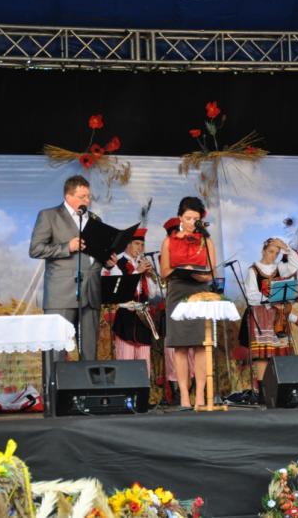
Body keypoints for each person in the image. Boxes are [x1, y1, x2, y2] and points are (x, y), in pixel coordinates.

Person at [29, 175, 116, 360]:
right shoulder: (49, 215)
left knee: (89, 353)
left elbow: (97, 252)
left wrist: (106, 260)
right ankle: (54, 381)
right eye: (82, 196)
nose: (87, 200)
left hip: (91, 291)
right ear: (68, 196)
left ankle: (86, 381)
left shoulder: (95, 219)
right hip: (61, 294)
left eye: (89, 196)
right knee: (55, 352)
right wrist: (67, 247)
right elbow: (35, 249)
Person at [160, 196, 215, 408]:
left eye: (196, 219)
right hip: (177, 292)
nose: (192, 222)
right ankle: (184, 395)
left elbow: (211, 272)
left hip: (200, 292)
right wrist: (181, 270)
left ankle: (200, 395)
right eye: (188, 218)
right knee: (180, 347)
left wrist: (199, 275)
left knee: (201, 345)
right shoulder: (169, 241)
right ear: (180, 218)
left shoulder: (206, 241)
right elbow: (165, 272)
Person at [239, 237, 298, 399]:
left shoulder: (279, 268)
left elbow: (296, 265)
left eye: (276, 253)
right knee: (263, 356)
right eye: (270, 251)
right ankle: (263, 394)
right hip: (260, 316)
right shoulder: (253, 270)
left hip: (278, 318)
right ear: (263, 251)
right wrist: (272, 300)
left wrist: (286, 247)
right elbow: (251, 296)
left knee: (280, 354)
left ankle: (281, 392)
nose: (273, 255)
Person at [103, 228, 160, 375]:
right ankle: (126, 387)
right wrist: (137, 272)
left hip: (143, 319)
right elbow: (120, 293)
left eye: (142, 245)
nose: (140, 248)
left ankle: (144, 388)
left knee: (144, 363)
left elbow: (152, 294)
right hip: (125, 318)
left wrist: (149, 276)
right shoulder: (117, 264)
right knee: (126, 362)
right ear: (128, 245)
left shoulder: (143, 263)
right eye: (136, 244)